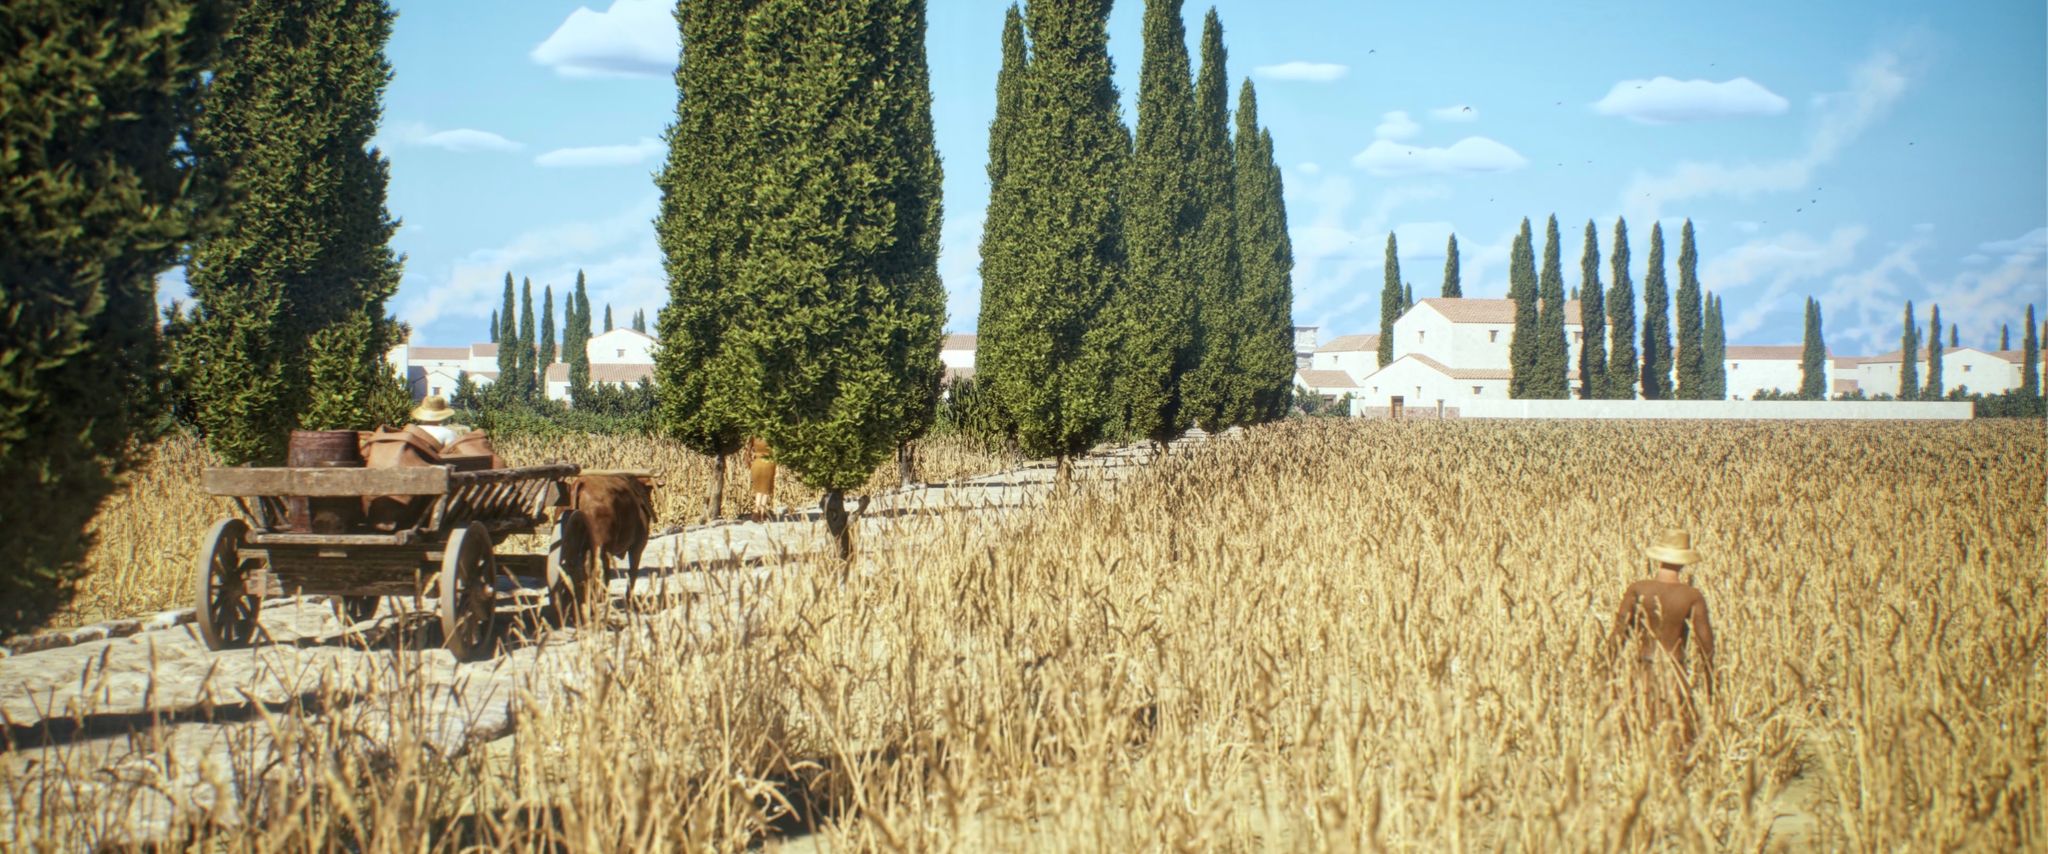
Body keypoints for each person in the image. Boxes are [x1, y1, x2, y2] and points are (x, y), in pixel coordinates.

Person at [1607, 528, 1717, 749]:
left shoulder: (1637, 589)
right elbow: (1706, 644)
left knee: (1636, 735)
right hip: (1675, 673)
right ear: (1684, 561)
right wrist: (1712, 681)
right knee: (1679, 740)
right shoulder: (1691, 596)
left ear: (1658, 558)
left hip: (1643, 671)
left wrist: (1609, 669)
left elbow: (1618, 634)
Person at [744, 436, 776, 521]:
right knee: (765, 490)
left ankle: (756, 510)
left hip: (757, 463)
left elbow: (748, 449)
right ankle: (762, 513)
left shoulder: (754, 436)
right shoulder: (771, 436)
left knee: (758, 490)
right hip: (769, 463)